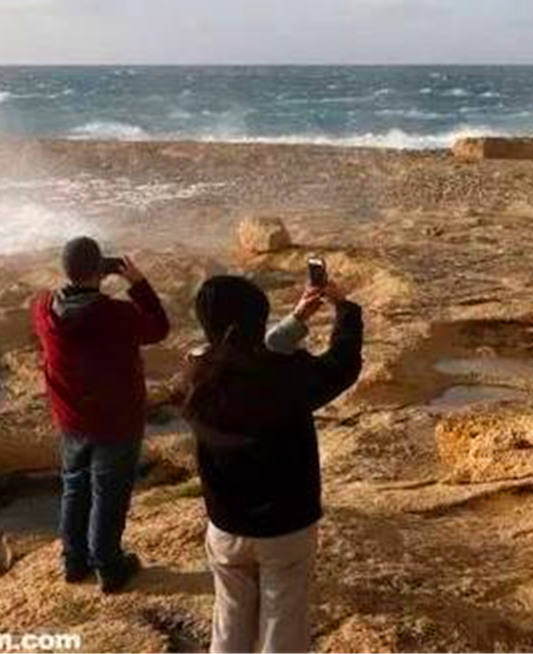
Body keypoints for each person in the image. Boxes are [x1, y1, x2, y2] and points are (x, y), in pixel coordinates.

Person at [182, 272, 362, 653]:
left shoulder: (195, 374)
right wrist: (346, 310)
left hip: (227, 525)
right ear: (251, 326)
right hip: (285, 527)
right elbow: (341, 366)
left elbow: (244, 352)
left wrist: (296, 321)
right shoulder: (284, 375)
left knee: (229, 620)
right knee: (283, 624)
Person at [31, 236, 170, 593]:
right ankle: (108, 566)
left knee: (75, 486)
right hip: (115, 421)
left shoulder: (43, 308)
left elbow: (74, 310)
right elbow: (159, 327)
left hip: (71, 419)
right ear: (100, 271)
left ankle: (74, 562)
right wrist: (137, 284)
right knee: (108, 492)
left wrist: (91, 281)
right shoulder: (115, 314)